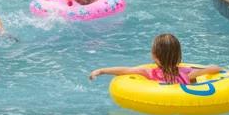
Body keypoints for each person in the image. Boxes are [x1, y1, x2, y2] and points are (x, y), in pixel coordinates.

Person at [88, 32, 221, 85]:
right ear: (178, 55)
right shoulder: (187, 74)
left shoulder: (149, 73)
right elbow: (214, 68)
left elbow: (124, 70)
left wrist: (101, 70)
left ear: (154, 56)